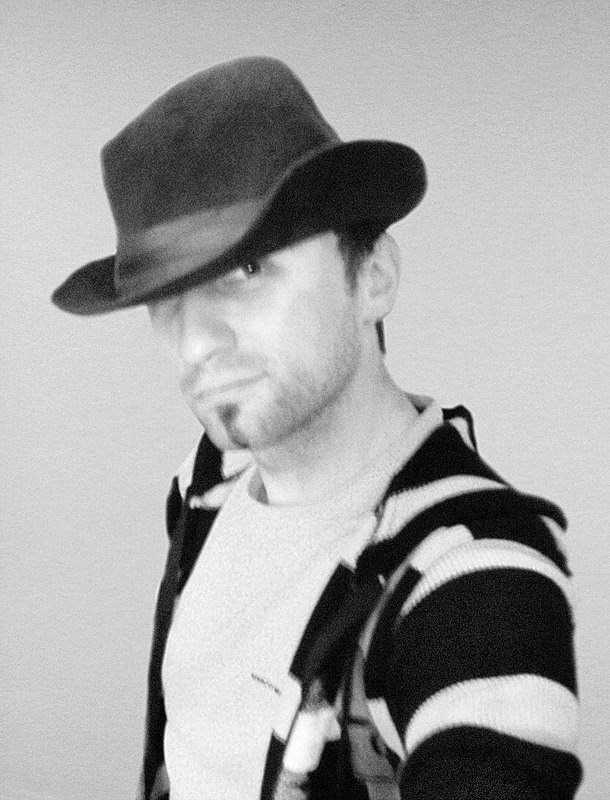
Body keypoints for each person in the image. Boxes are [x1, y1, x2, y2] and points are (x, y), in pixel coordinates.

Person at [52, 56, 582, 800]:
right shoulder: (207, 487)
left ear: (373, 279)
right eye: (166, 299)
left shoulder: (473, 575)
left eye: (248, 272)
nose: (195, 343)